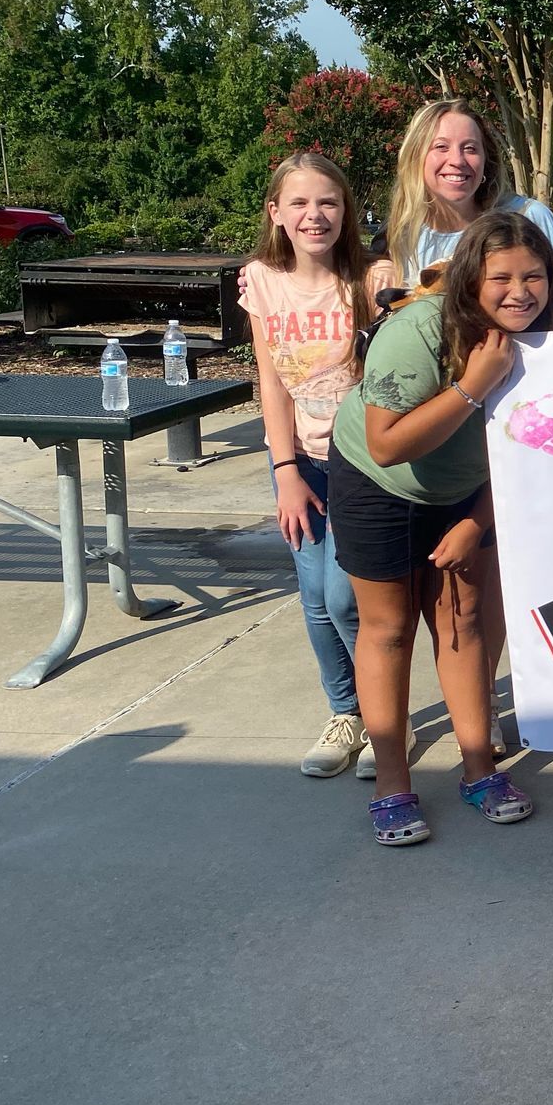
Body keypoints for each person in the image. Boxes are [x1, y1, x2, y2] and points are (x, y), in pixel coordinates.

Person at [327, 211, 553, 845]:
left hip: (467, 492)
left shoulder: (549, 343)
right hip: (379, 485)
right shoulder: (418, 329)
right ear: (468, 281)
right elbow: (384, 445)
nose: (521, 292)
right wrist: (471, 386)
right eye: (501, 277)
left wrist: (473, 522)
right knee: (390, 629)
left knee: (463, 620)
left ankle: (479, 770)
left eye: (535, 276)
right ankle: (392, 784)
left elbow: (536, 454)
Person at [239, 153, 374, 778]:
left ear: (345, 212)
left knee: (346, 598)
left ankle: (381, 718)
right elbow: (271, 382)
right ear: (277, 213)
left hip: (363, 462)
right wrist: (283, 469)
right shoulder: (263, 281)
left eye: (328, 202)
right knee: (314, 597)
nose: (314, 214)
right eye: (299, 203)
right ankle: (344, 714)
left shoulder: (369, 278)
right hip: (302, 463)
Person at [373, 98, 553, 327]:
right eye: (441, 147)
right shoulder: (398, 236)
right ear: (415, 156)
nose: (457, 160)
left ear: (486, 160)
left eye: (470, 148)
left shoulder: (529, 219)